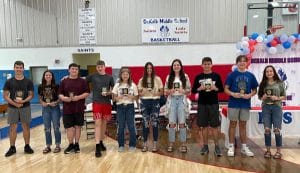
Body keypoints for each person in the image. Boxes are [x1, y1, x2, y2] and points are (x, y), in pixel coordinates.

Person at [224, 55, 258, 157]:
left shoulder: (251, 75)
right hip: (233, 103)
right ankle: (231, 146)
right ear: (237, 63)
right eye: (240, 61)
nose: (242, 63)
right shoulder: (231, 75)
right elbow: (226, 89)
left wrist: (249, 95)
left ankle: (244, 147)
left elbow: (255, 90)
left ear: (247, 63)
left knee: (243, 125)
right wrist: (233, 94)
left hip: (245, 104)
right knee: (232, 124)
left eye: (244, 61)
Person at [191, 57, 224, 156]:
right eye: (205, 64)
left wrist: (215, 88)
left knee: (215, 126)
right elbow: (193, 91)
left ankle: (217, 147)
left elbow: (221, 89)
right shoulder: (198, 77)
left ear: (211, 65)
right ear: (202, 65)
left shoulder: (216, 76)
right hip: (202, 104)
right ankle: (205, 146)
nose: (206, 66)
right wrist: (199, 88)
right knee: (203, 126)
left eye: (208, 64)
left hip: (213, 104)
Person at [3, 60, 34, 157]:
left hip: (25, 107)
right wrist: (15, 104)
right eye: (17, 67)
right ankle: (12, 147)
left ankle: (27, 146)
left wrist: (23, 101)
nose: (19, 69)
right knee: (13, 128)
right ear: (14, 68)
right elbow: (5, 95)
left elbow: (31, 95)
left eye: (20, 67)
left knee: (26, 127)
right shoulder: (9, 81)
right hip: (12, 107)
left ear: (23, 69)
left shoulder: (28, 81)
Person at [59, 63, 89, 154]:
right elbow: (60, 93)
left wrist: (79, 97)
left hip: (79, 108)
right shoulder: (64, 81)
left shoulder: (83, 81)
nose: (74, 70)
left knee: (78, 127)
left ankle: (77, 145)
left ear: (78, 71)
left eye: (76, 69)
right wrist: (64, 98)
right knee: (69, 128)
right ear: (69, 70)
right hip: (67, 108)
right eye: (72, 69)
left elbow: (87, 92)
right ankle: (70, 144)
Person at [86, 60, 114, 157]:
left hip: (106, 103)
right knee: (97, 123)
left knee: (104, 123)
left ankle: (101, 141)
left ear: (104, 67)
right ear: (96, 67)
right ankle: (97, 145)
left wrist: (109, 93)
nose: (100, 68)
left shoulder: (110, 77)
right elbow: (82, 81)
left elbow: (113, 90)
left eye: (101, 66)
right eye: (98, 67)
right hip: (97, 102)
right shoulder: (92, 76)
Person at [258, 65, 286, 159]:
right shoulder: (263, 84)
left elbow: (284, 96)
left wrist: (277, 98)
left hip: (277, 107)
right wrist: (263, 97)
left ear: (274, 72)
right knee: (267, 129)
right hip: (266, 107)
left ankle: (278, 151)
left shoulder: (280, 83)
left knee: (277, 130)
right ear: (265, 74)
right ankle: (268, 151)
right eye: (267, 72)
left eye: (270, 71)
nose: (269, 73)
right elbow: (260, 97)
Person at [164, 59, 191, 153]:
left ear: (181, 66)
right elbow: (165, 91)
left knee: (182, 123)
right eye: (174, 65)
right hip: (172, 100)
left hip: (181, 100)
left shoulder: (185, 76)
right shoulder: (169, 77)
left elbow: (189, 91)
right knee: (171, 123)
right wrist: (169, 91)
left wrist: (183, 91)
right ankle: (171, 144)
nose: (176, 66)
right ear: (172, 67)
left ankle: (183, 144)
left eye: (178, 65)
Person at [138, 62, 163, 152]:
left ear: (153, 69)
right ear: (145, 69)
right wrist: (145, 91)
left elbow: (161, 92)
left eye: (150, 68)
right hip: (144, 102)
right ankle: (145, 144)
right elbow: (139, 94)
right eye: (147, 68)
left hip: (155, 101)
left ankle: (155, 144)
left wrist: (154, 92)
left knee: (155, 123)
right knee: (145, 123)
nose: (149, 70)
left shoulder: (157, 79)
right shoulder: (141, 80)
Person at [112, 67, 138, 152]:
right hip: (120, 107)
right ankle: (121, 145)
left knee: (131, 126)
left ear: (129, 75)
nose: (125, 75)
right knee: (121, 126)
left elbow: (137, 97)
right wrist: (118, 97)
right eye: (123, 74)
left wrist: (131, 97)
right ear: (121, 75)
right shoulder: (117, 85)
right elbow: (113, 98)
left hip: (130, 106)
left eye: (127, 74)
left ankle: (132, 145)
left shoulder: (133, 85)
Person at [38, 70, 61, 154]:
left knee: (56, 127)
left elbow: (60, 98)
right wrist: (42, 103)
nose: (48, 76)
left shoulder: (56, 86)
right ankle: (48, 146)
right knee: (47, 128)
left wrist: (56, 102)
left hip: (55, 108)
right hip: (45, 109)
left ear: (52, 77)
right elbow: (40, 97)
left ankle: (58, 145)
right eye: (46, 75)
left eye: (49, 75)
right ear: (44, 76)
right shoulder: (41, 86)